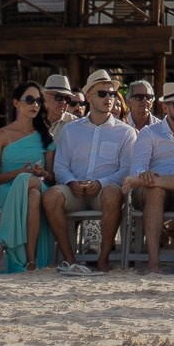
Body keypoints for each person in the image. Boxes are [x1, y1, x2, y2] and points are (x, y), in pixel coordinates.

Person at [44, 72, 139, 270]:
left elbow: (127, 169)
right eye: (102, 94)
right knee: (51, 196)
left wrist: (101, 183)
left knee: (113, 193)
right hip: (75, 190)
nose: (109, 99)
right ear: (89, 97)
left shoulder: (125, 131)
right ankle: (69, 258)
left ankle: (103, 259)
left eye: (112, 94)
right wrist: (71, 182)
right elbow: (60, 166)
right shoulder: (71, 130)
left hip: (104, 191)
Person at [127, 81, 174, 272]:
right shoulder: (149, 133)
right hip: (149, 190)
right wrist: (143, 175)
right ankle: (154, 261)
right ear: (165, 107)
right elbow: (137, 167)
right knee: (156, 190)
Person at [0, 80, 62, 272]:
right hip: (7, 189)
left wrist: (42, 173)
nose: (35, 105)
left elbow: (52, 178)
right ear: (16, 103)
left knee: (32, 185)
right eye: (29, 100)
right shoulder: (1, 135)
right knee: (31, 192)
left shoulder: (47, 136)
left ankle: (3, 241)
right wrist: (20, 172)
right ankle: (31, 260)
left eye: (38, 101)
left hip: (40, 184)